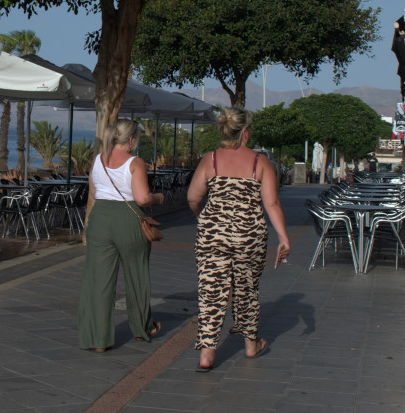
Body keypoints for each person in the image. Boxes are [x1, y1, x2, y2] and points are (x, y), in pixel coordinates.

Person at [186, 107, 290, 372]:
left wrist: (205, 218)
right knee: (247, 289)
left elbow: (193, 197)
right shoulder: (260, 162)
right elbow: (272, 203)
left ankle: (207, 355)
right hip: (249, 235)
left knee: (211, 291)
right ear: (245, 132)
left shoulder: (210, 160)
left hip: (213, 234)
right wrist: (283, 237)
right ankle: (251, 346)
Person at [78, 118, 165, 352]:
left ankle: (98, 339)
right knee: (136, 275)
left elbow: (94, 191)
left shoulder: (98, 159)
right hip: (128, 219)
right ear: (132, 139)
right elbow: (143, 198)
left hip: (100, 218)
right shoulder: (135, 162)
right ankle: (141, 328)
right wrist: (158, 198)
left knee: (99, 280)